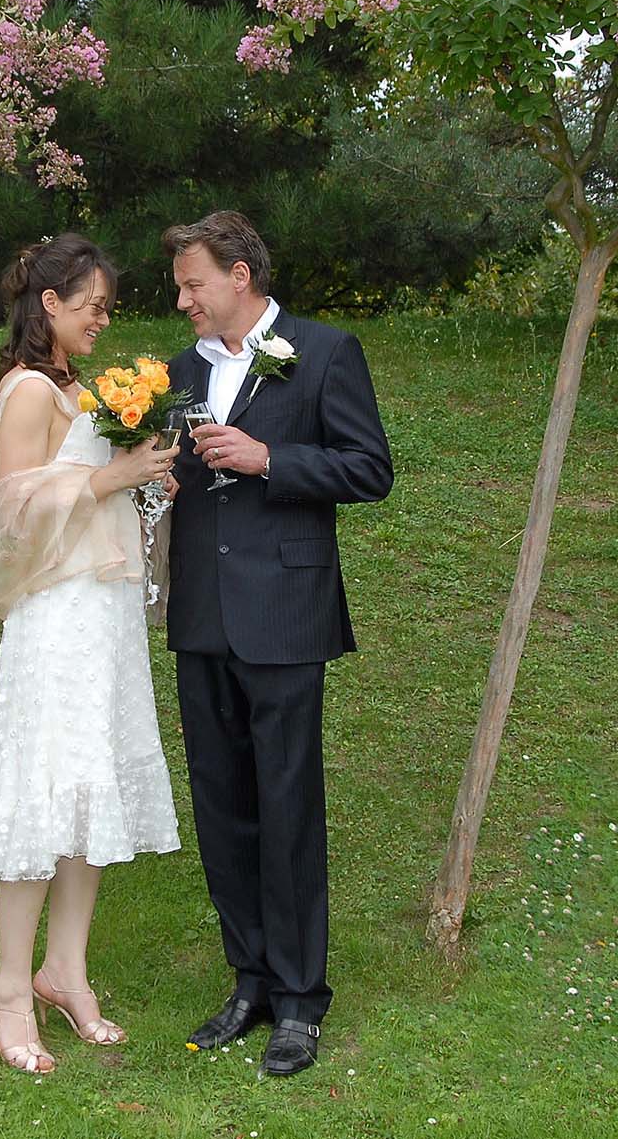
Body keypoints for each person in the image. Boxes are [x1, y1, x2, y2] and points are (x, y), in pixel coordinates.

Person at [162, 211, 393, 1077]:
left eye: (193, 283)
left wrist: (270, 459)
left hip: (287, 614)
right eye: (181, 286)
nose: (183, 299)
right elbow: (184, 482)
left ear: (240, 275)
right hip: (202, 616)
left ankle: (300, 1001)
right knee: (222, 807)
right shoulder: (182, 372)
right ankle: (249, 981)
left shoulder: (325, 351)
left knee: (288, 808)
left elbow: (370, 469)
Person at [0, 233, 180, 1074]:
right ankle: (10, 989)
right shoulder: (25, 392)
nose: (101, 318)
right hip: (54, 620)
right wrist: (106, 479)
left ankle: (65, 971)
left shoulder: (81, 392)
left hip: (104, 616)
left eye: (108, 308)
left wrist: (147, 476)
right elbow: (12, 512)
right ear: (47, 303)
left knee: (94, 791)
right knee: (45, 790)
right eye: (89, 304)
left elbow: (96, 493)